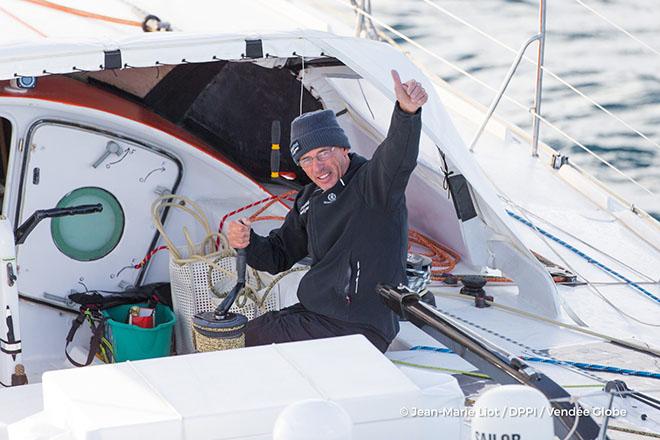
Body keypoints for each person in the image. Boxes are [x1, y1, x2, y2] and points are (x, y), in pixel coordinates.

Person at [227, 70, 427, 352]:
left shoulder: (373, 184)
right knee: (243, 332)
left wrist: (407, 113)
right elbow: (279, 255)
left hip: (359, 325)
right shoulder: (309, 199)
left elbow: (397, 157)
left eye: (323, 153)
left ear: (344, 148)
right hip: (318, 311)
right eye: (306, 160)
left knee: (241, 342)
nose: (316, 168)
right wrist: (247, 242)